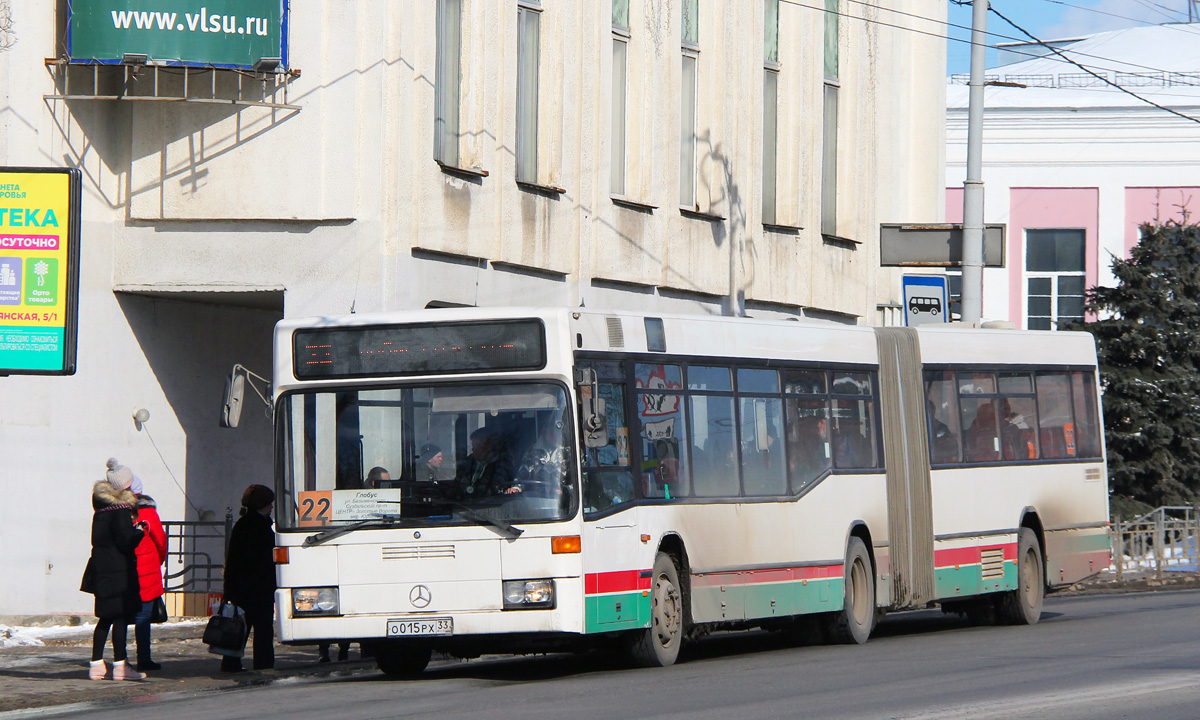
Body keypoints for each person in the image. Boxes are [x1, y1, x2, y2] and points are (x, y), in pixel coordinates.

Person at [81, 459, 147, 680]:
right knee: (119, 618)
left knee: (104, 618)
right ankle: (120, 666)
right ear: (125, 486)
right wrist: (138, 531)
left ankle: (96, 665)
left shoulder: (100, 510)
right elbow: (124, 541)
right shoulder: (121, 511)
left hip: (101, 570)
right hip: (119, 572)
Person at [221, 484, 277, 672]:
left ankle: (230, 663)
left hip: (241, 588)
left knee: (239, 627)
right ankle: (263, 664)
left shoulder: (242, 525)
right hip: (260, 588)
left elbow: (233, 560)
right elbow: (266, 560)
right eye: (269, 504)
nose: (271, 508)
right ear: (263, 506)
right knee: (262, 630)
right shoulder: (262, 527)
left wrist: (230, 589)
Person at [130, 472, 168, 672]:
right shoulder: (147, 511)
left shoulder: (119, 511)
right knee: (143, 618)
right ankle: (143, 658)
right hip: (147, 570)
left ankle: (120, 659)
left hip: (126, 568)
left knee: (121, 616)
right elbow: (160, 540)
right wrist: (158, 560)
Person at [456, 428, 519, 498]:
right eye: (473, 446)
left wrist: (515, 489)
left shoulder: (503, 465)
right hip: (463, 505)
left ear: (488, 447)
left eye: (476, 447)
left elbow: (516, 483)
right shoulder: (468, 462)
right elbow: (458, 484)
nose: (473, 450)